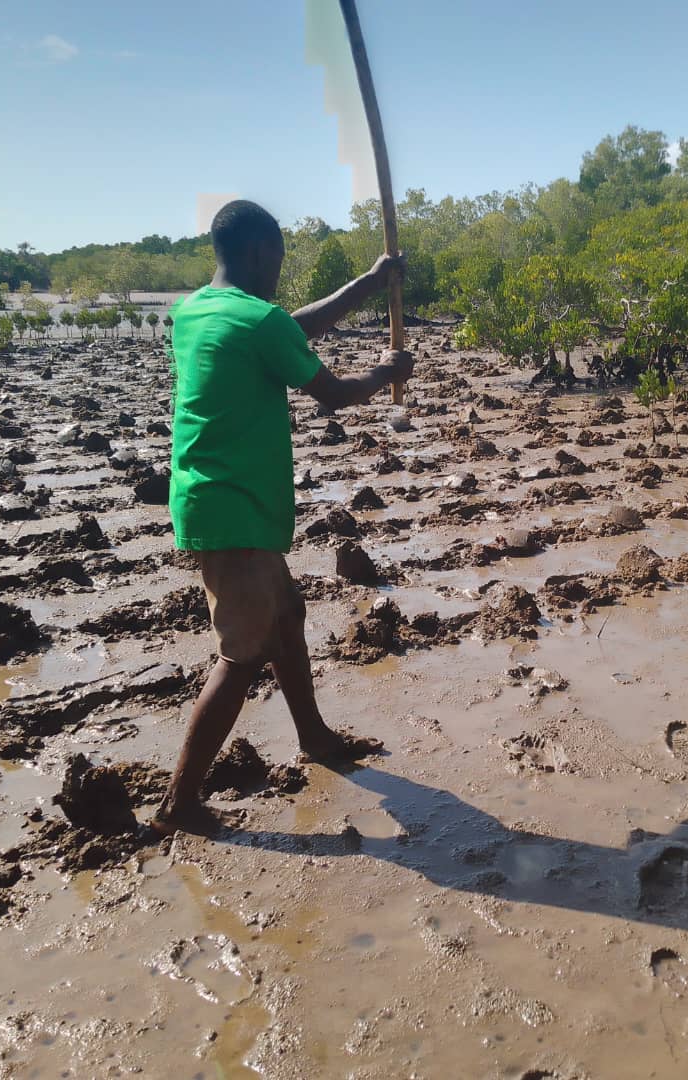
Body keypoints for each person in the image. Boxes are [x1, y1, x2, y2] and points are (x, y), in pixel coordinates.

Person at [153, 199, 413, 836]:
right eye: (278, 258)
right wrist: (385, 372)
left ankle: (315, 738)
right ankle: (180, 802)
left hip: (214, 498)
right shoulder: (257, 321)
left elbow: (288, 327)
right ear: (258, 253)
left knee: (287, 615)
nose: (278, 270)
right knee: (241, 656)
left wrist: (368, 283)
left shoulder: (196, 310)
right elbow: (333, 393)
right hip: (234, 507)